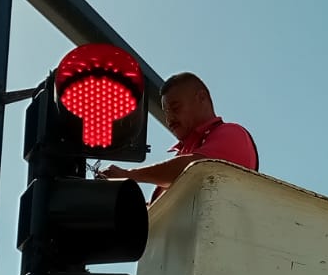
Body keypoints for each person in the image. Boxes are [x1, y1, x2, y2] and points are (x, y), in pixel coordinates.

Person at [97, 72, 259, 199]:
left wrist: (128, 175)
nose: (169, 119)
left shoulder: (232, 134)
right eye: (166, 113)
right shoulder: (180, 156)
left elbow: (196, 168)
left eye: (175, 108)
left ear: (201, 98)